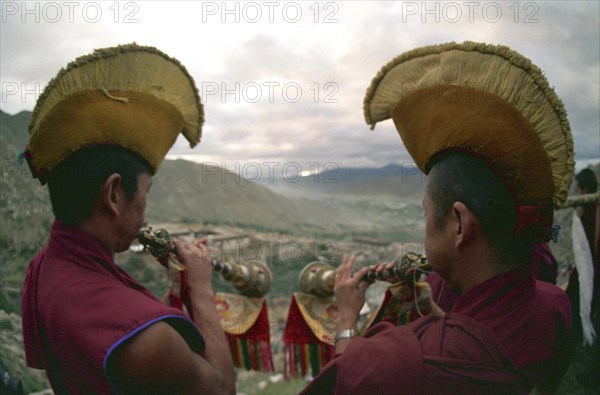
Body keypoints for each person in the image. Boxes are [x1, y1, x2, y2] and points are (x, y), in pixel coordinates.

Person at [301, 42, 574, 394]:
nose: (426, 225)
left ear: (459, 225)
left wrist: (347, 318)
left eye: (428, 214)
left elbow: (349, 381)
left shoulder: (398, 364)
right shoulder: (556, 306)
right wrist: (445, 321)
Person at [21, 44, 235, 394]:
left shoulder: (43, 267)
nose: (145, 209)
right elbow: (223, 389)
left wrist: (177, 287)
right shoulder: (148, 342)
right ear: (114, 195)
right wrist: (201, 291)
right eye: (146, 192)